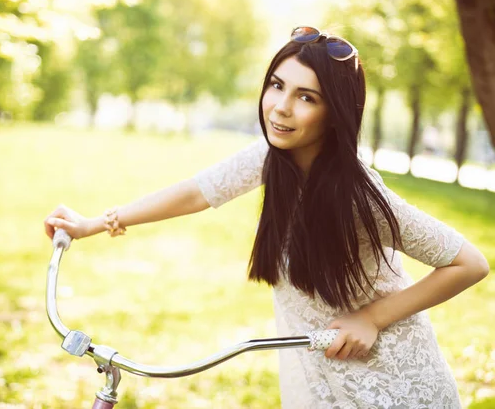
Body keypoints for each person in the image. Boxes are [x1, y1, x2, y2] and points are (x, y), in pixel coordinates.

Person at [44, 26, 490, 408]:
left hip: (392, 383)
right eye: (276, 85)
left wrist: (371, 318)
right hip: (316, 376)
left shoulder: (358, 196)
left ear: (335, 113)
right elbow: (194, 194)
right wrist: (91, 225)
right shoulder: (272, 158)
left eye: (305, 97)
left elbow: (469, 262)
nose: (280, 106)